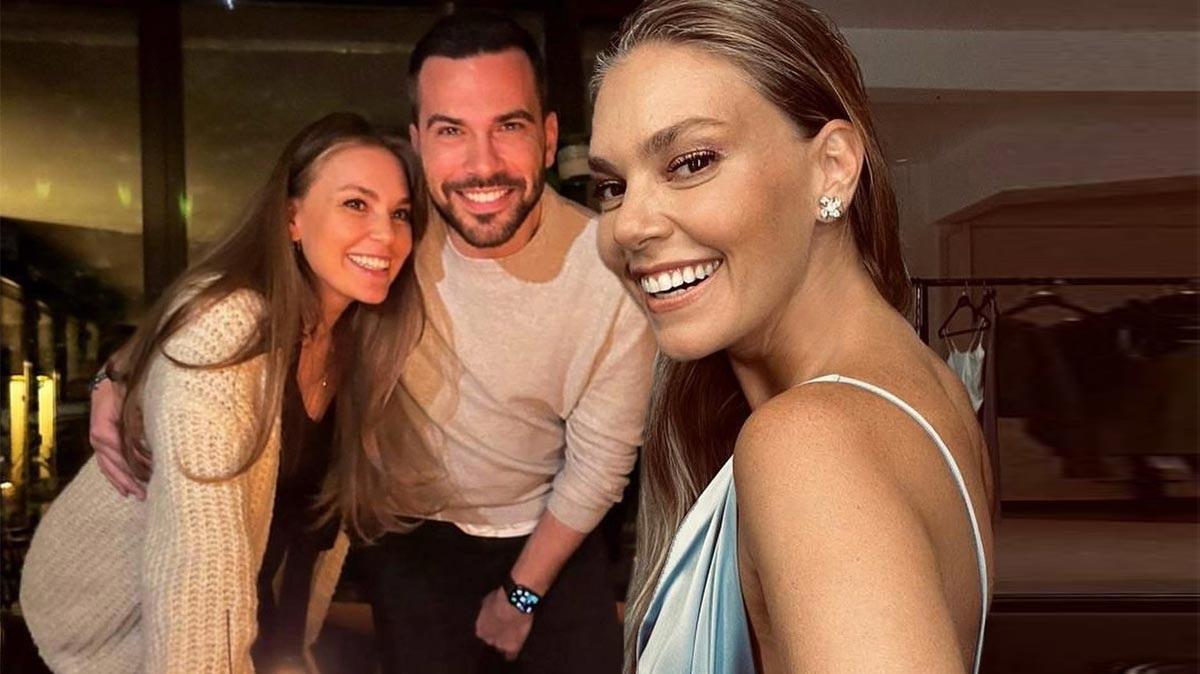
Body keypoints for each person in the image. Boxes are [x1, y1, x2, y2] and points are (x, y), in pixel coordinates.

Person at [86, 12, 655, 674]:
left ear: (549, 137)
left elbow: (600, 465)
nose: (482, 165)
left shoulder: (607, 270)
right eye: (450, 130)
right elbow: (253, 287)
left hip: (552, 529)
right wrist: (123, 369)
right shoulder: (389, 231)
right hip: (406, 535)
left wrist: (521, 593)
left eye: (509, 126)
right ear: (417, 143)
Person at [588, 1, 994, 672]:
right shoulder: (931, 389)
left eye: (691, 162)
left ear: (832, 167)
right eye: (611, 186)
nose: (628, 226)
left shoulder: (810, 444)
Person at [21, 112, 430, 673]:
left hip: (251, 625)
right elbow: (199, 563)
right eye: (356, 204)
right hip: (116, 635)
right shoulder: (226, 330)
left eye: (400, 213)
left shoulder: (358, 345)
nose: (385, 234)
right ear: (291, 218)